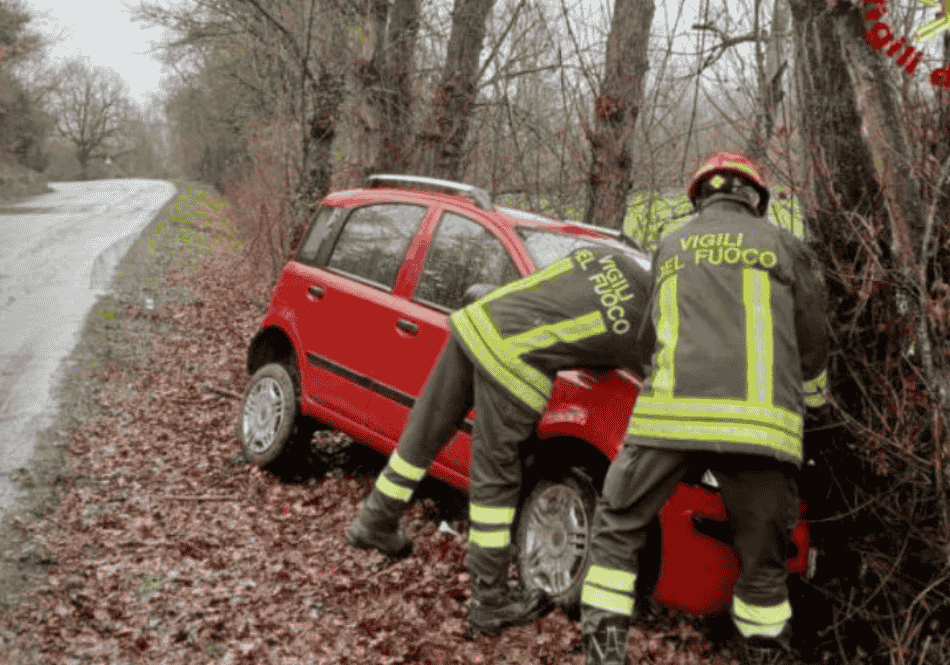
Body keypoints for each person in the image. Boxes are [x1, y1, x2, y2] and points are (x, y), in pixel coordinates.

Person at [577, 152, 830, 665]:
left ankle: (604, 654)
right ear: (756, 198)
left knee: (617, 530)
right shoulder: (785, 246)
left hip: (668, 421)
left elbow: (649, 337)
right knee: (763, 566)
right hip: (760, 430)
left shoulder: (670, 245)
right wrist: (813, 408)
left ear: (698, 198)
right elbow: (814, 346)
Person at [346, 244, 653, 638]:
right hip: (517, 360)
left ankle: (375, 519)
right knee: (497, 478)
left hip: (482, 320)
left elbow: (550, 295)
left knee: (424, 433)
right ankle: (490, 599)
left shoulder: (606, 256)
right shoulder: (653, 324)